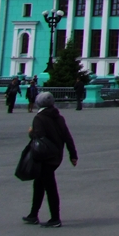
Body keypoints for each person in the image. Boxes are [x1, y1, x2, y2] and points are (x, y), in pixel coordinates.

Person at [23, 92, 77, 228]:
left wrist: (31, 133)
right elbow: (67, 136)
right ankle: (33, 214)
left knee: (49, 187)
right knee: (39, 184)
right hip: (56, 155)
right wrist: (73, 154)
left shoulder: (39, 118)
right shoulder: (58, 117)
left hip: (44, 157)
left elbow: (39, 137)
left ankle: (55, 218)